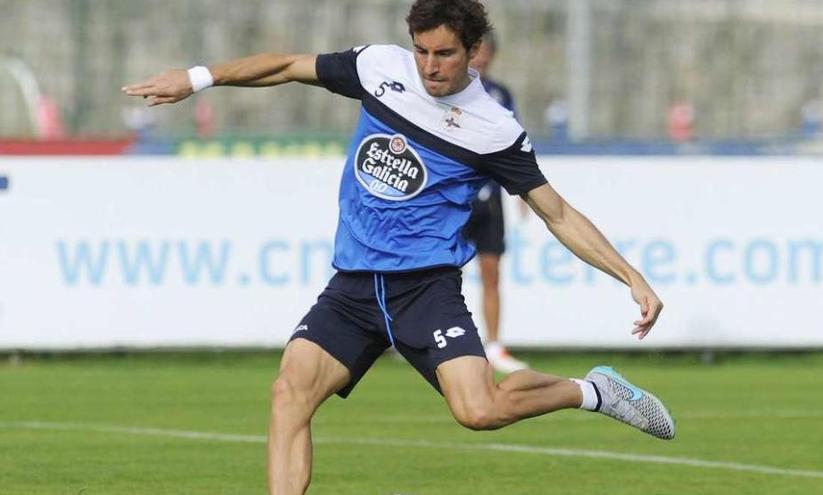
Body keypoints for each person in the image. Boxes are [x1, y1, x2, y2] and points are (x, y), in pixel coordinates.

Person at [123, 1, 675, 493]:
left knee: (479, 411)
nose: (430, 66)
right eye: (421, 51)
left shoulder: (492, 129)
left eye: (444, 54)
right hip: (354, 286)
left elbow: (556, 211)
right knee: (289, 393)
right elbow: (288, 65)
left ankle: (592, 392)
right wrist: (197, 78)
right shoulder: (379, 68)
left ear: (473, 52)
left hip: (424, 289)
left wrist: (631, 276)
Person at [462, 31, 528, 373]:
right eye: (478, 52)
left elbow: (516, 144)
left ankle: (494, 345)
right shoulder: (448, 91)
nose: (482, 58)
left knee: (491, 272)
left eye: (487, 52)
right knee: (439, 271)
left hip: (490, 199)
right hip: (456, 197)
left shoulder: (500, 94)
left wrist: (523, 190)